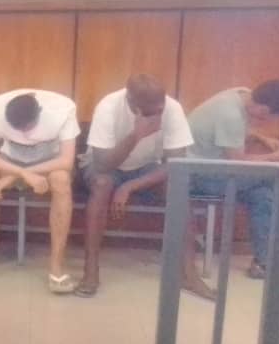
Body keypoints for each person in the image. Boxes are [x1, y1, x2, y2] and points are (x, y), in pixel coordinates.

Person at [76, 75, 194, 297]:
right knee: (102, 184)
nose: (157, 115)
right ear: (131, 102)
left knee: (178, 186)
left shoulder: (172, 108)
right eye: (150, 112)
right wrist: (136, 135)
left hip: (145, 167)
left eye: (160, 109)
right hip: (106, 166)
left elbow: (177, 165)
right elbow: (102, 165)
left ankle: (190, 274)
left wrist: (129, 186)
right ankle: (90, 271)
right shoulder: (109, 106)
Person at [182, 79, 279, 294]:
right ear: (264, 110)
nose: (271, 121)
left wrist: (260, 137)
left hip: (213, 168)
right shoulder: (230, 114)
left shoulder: (242, 94)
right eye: (275, 117)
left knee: (263, 196)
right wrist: (275, 158)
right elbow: (237, 161)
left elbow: (227, 134)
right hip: (199, 175)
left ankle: (263, 263)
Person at [0, 89, 81, 293]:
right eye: (19, 129)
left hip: (49, 161)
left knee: (61, 180)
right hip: (11, 160)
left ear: (39, 113)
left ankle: (56, 266)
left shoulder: (63, 109)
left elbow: (66, 161)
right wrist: (21, 173)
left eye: (29, 127)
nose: (25, 133)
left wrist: (19, 175)